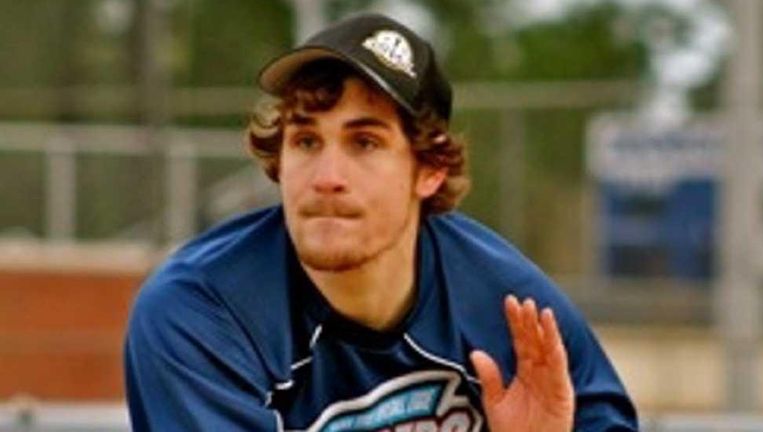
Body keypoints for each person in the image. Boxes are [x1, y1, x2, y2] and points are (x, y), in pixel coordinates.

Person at [124, 13, 638, 431]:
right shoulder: (201, 310)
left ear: (430, 170)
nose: (326, 177)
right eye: (306, 141)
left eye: (364, 143)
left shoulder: (508, 308)